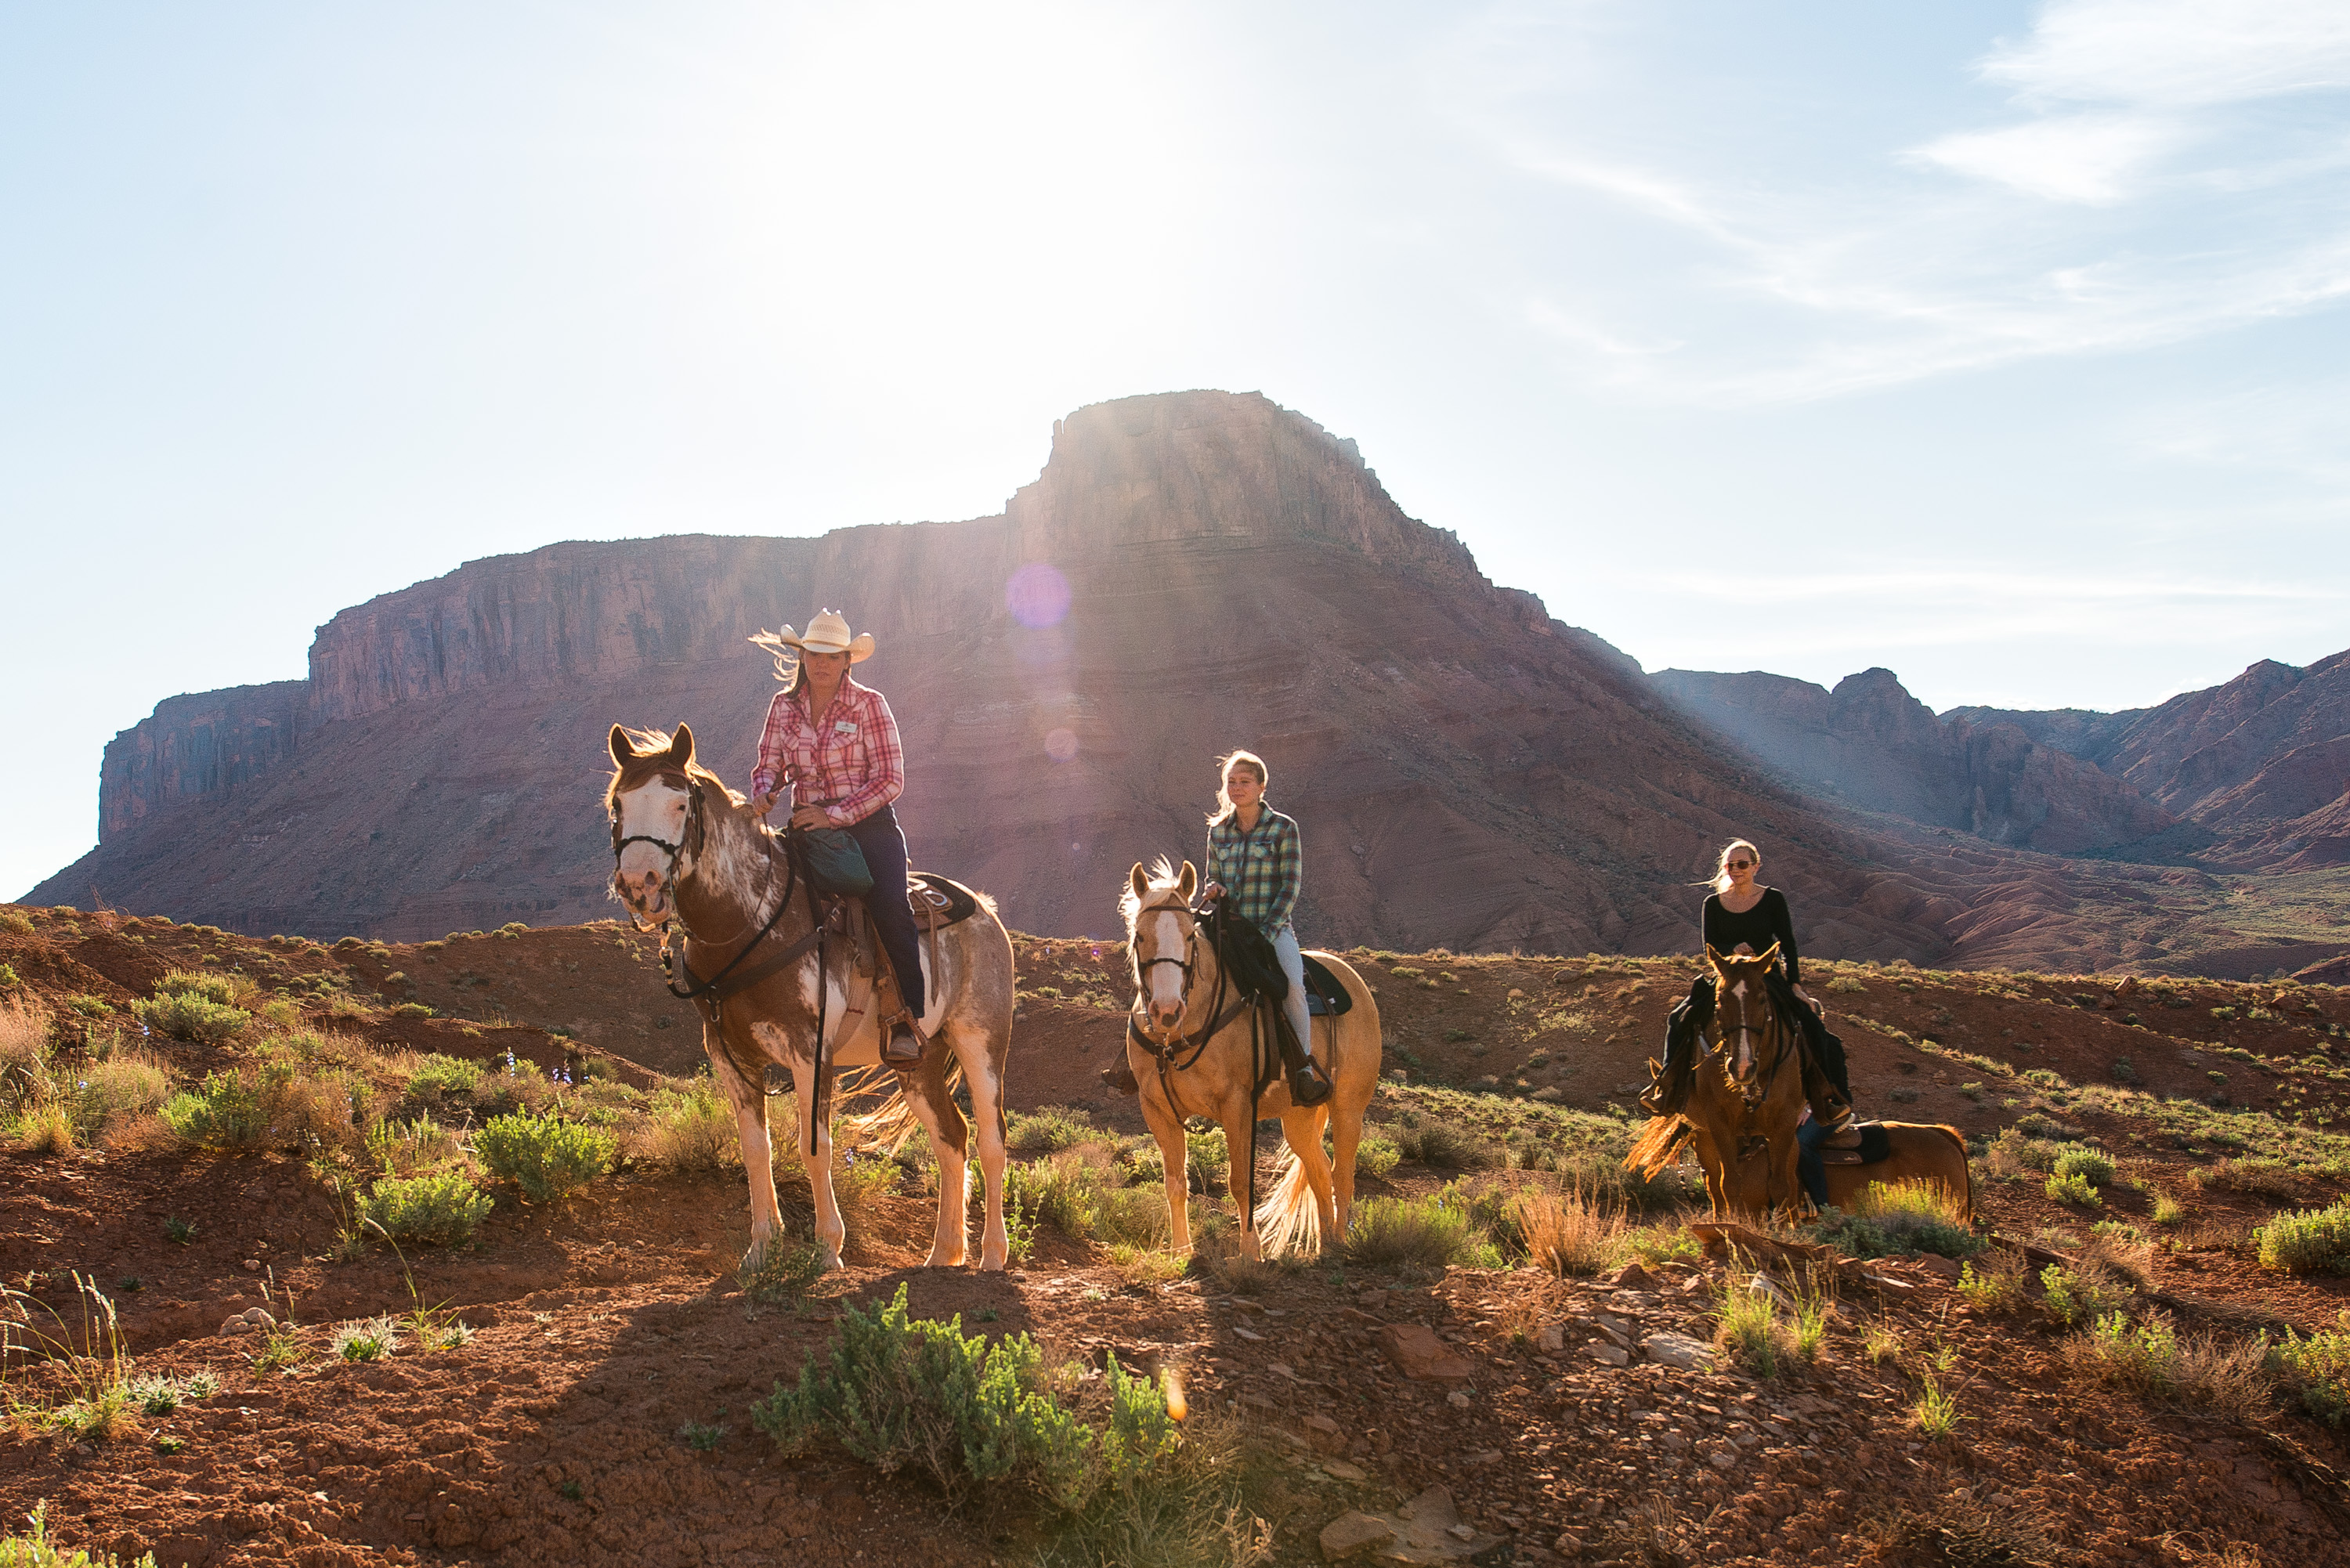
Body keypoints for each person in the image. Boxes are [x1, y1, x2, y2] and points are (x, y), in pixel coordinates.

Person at [746, 610, 924, 1068]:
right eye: (813, 654)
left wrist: (836, 815)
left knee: (890, 906)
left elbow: (890, 779)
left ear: (847, 660)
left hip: (868, 826)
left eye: (832, 656)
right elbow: (769, 763)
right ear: (801, 656)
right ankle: (782, 1015)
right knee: (769, 902)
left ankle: (906, 1018)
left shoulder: (869, 704)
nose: (821, 663)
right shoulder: (783, 708)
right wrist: (765, 791)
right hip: (806, 827)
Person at [1104, 750, 1333, 1107]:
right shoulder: (1219, 831)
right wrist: (1215, 889)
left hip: (1271, 929)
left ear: (1261, 786)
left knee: (1291, 988)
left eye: (1244, 782)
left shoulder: (1284, 828)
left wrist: (1269, 930)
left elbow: (1290, 886)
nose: (1237, 788)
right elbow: (1214, 876)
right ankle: (1139, 1060)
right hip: (1227, 926)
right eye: (1231, 782)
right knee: (1174, 963)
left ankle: (1302, 1069)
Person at [1645, 838, 1856, 1205]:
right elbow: (1710, 943)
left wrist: (1796, 986)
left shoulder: (1772, 899)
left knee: (1814, 1026)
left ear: (1756, 867)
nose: (1736, 870)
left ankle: (1830, 1096)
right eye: (1730, 865)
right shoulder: (1713, 903)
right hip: (1726, 976)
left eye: (1742, 864)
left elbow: (1787, 943)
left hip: (1764, 975)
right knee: (1679, 1018)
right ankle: (1668, 1086)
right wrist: (1732, 954)